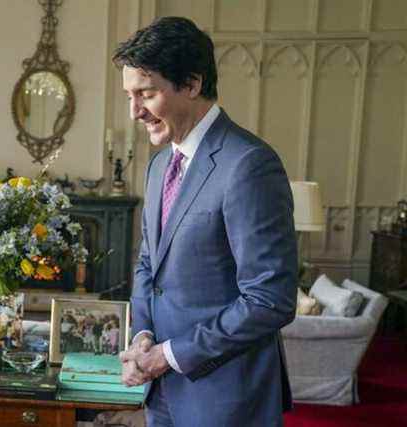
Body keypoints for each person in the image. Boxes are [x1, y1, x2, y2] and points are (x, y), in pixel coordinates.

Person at [114, 17, 297, 426]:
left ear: (192, 84)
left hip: (226, 398)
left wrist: (169, 355)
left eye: (146, 94)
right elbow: (148, 266)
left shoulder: (249, 165)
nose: (135, 112)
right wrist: (143, 337)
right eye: (129, 95)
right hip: (161, 392)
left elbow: (270, 299)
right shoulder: (160, 165)